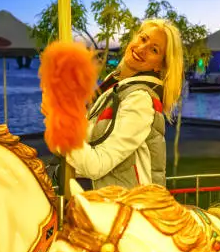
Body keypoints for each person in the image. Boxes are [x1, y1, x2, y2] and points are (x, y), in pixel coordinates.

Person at [65, 18, 184, 189]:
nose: (142, 49)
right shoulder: (115, 84)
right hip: (103, 199)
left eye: (154, 50)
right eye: (143, 39)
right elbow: (86, 140)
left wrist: (60, 120)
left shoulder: (140, 99)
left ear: (159, 66)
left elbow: (96, 165)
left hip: (126, 205)